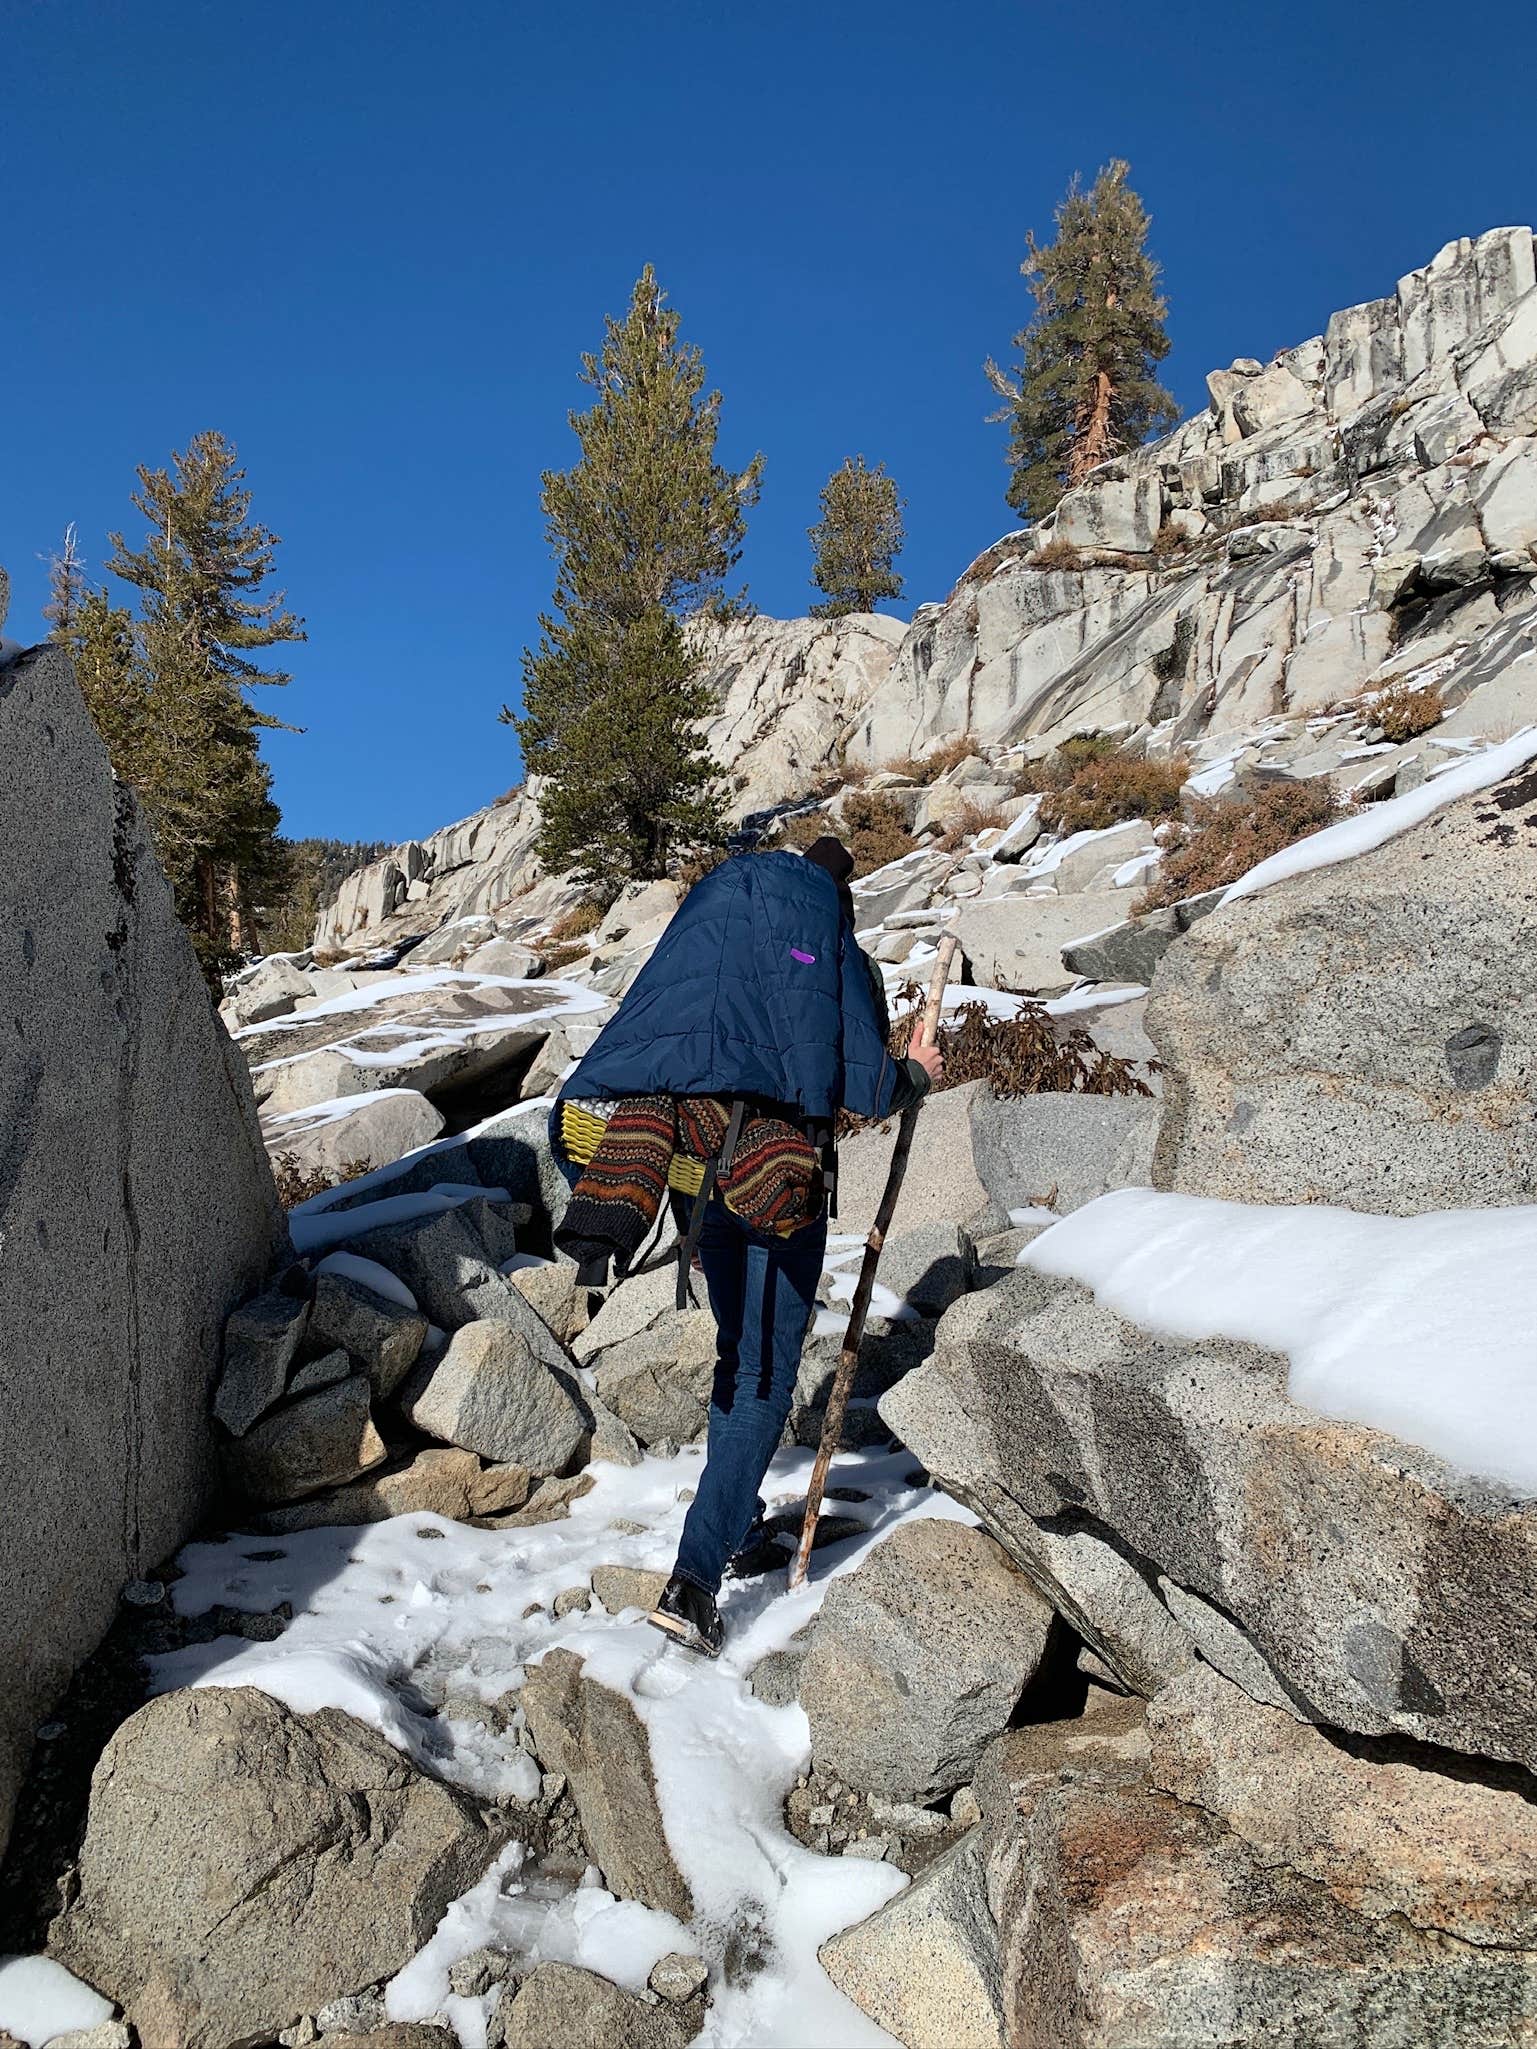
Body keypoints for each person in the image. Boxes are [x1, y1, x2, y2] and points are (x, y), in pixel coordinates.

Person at [549, 836, 943, 1658]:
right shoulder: (825, 942)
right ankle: (693, 1584)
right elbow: (866, 1085)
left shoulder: (711, 919)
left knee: (741, 1360)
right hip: (776, 1180)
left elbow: (654, 1031)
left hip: (695, 1173)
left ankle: (733, 1521)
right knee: (764, 1377)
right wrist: (916, 1070)